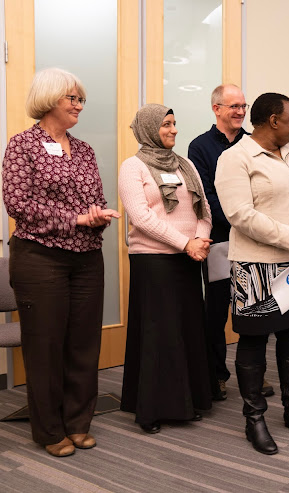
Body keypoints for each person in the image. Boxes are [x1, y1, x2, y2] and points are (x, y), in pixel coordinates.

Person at [2, 68, 120, 457]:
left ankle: (78, 423)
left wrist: (96, 216)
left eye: (81, 99)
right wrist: (75, 219)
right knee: (45, 346)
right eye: (72, 98)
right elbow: (19, 205)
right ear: (50, 99)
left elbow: (92, 199)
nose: (78, 106)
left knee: (84, 345)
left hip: (86, 258)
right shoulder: (22, 146)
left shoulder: (83, 149)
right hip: (39, 258)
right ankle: (50, 430)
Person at [215, 92, 289, 455]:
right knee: (254, 342)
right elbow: (240, 214)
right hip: (257, 266)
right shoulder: (234, 158)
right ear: (272, 121)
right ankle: (255, 419)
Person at [119, 103, 213, 433]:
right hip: (154, 261)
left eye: (174, 123)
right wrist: (185, 242)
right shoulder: (133, 167)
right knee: (160, 335)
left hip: (189, 258)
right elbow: (141, 218)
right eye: (165, 125)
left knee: (186, 331)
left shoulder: (185, 165)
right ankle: (153, 409)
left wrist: (199, 240)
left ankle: (186, 402)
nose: (173, 129)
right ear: (148, 128)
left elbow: (205, 209)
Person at [188, 84, 273, 400]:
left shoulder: (255, 143)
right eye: (233, 106)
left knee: (256, 309)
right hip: (220, 242)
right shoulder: (199, 147)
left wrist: (257, 223)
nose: (240, 111)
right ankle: (216, 375)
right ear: (216, 108)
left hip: (255, 242)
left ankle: (256, 375)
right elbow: (205, 198)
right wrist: (244, 219)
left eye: (243, 106)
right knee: (216, 314)